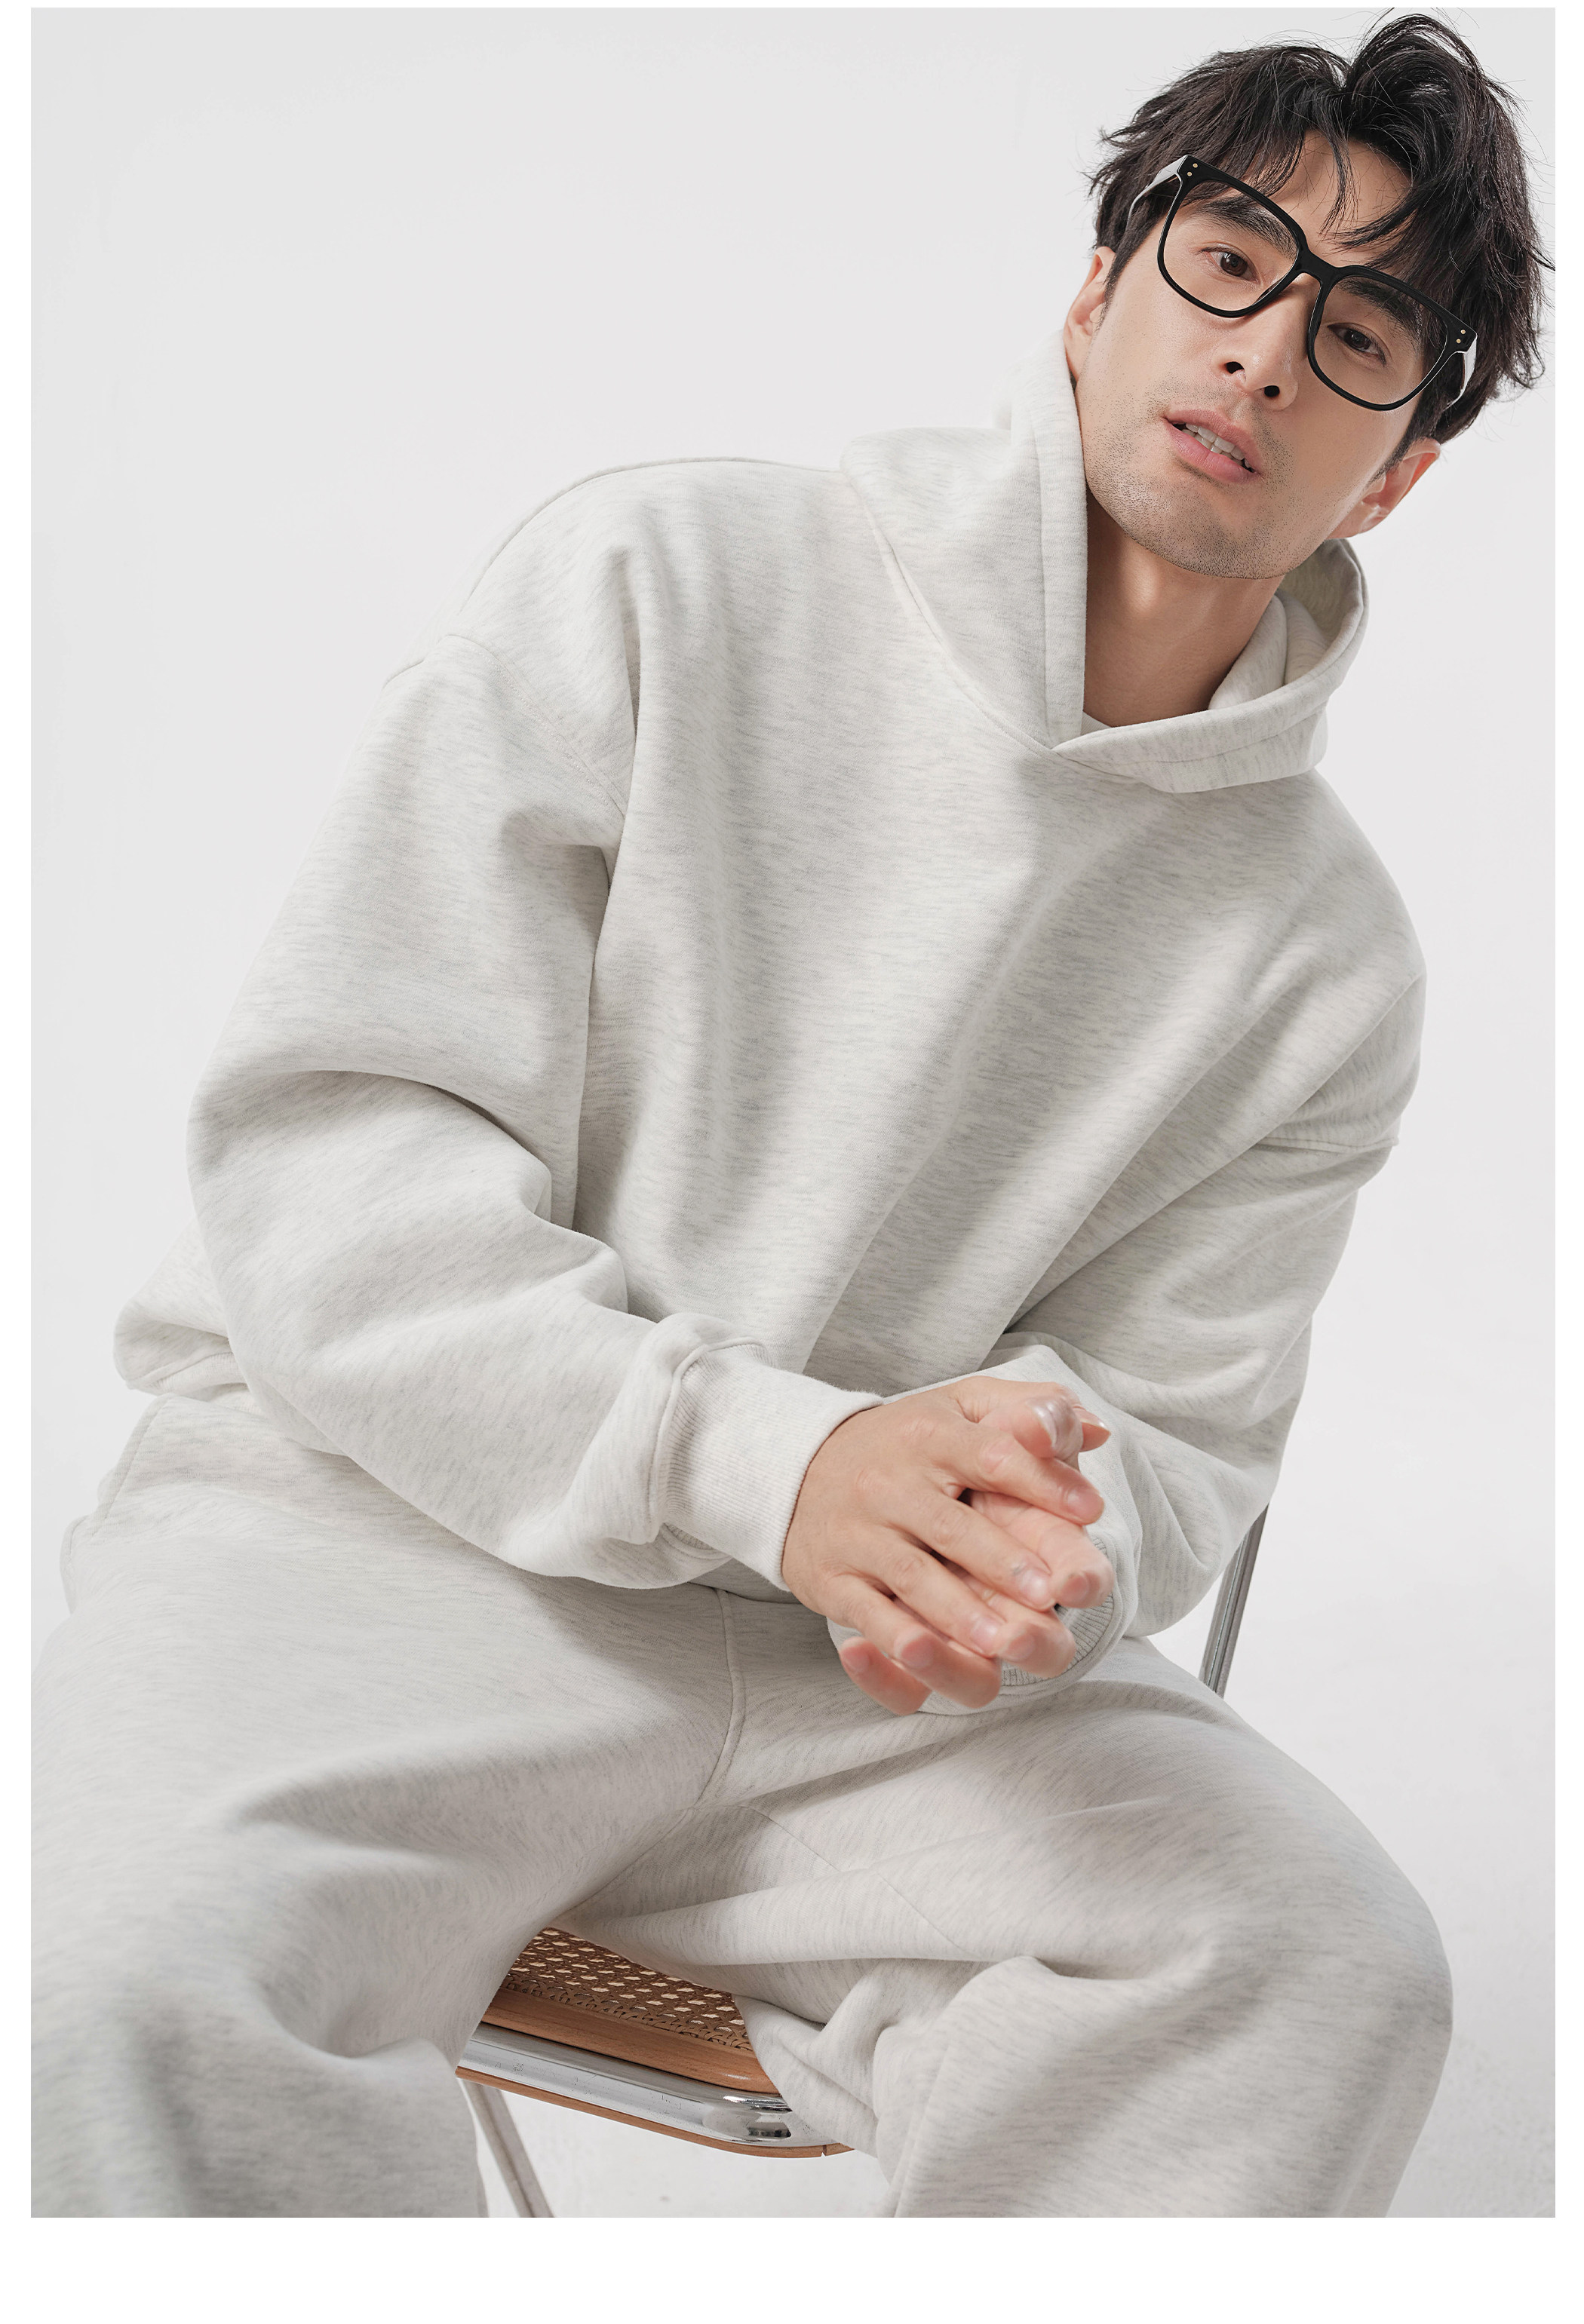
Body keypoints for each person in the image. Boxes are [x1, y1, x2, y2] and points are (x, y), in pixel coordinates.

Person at [33, 14, 1546, 2215]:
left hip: (858, 1690)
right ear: (1097, 290)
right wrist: (768, 1458)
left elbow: (1172, 1439)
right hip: (375, 1545)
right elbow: (331, 1153)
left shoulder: (1327, 959)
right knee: (115, 1992)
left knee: (1311, 1962)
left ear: (1394, 470)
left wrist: (1014, 1543)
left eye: (1362, 334)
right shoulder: (663, 581)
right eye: (1229, 258)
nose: (1264, 352)